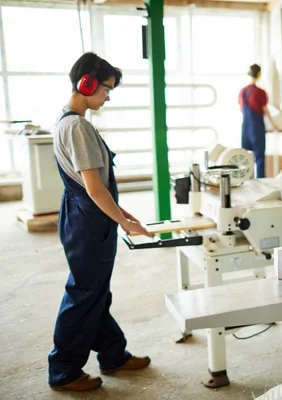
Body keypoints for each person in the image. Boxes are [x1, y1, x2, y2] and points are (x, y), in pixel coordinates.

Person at [48, 52, 153, 392]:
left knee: (94, 293)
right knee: (84, 294)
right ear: (87, 84)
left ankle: (112, 353)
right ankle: (63, 370)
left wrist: (123, 214)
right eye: (107, 88)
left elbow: (96, 186)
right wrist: (123, 222)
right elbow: (94, 188)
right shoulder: (76, 126)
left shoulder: (69, 121)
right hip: (88, 221)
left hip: (85, 218)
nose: (108, 95)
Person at [239, 63, 280, 178]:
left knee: (245, 157)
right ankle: (260, 182)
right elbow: (265, 110)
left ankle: (246, 180)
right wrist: (273, 125)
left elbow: (241, 109)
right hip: (256, 128)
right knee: (260, 157)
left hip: (245, 128)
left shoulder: (242, 91)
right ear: (259, 74)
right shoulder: (260, 92)